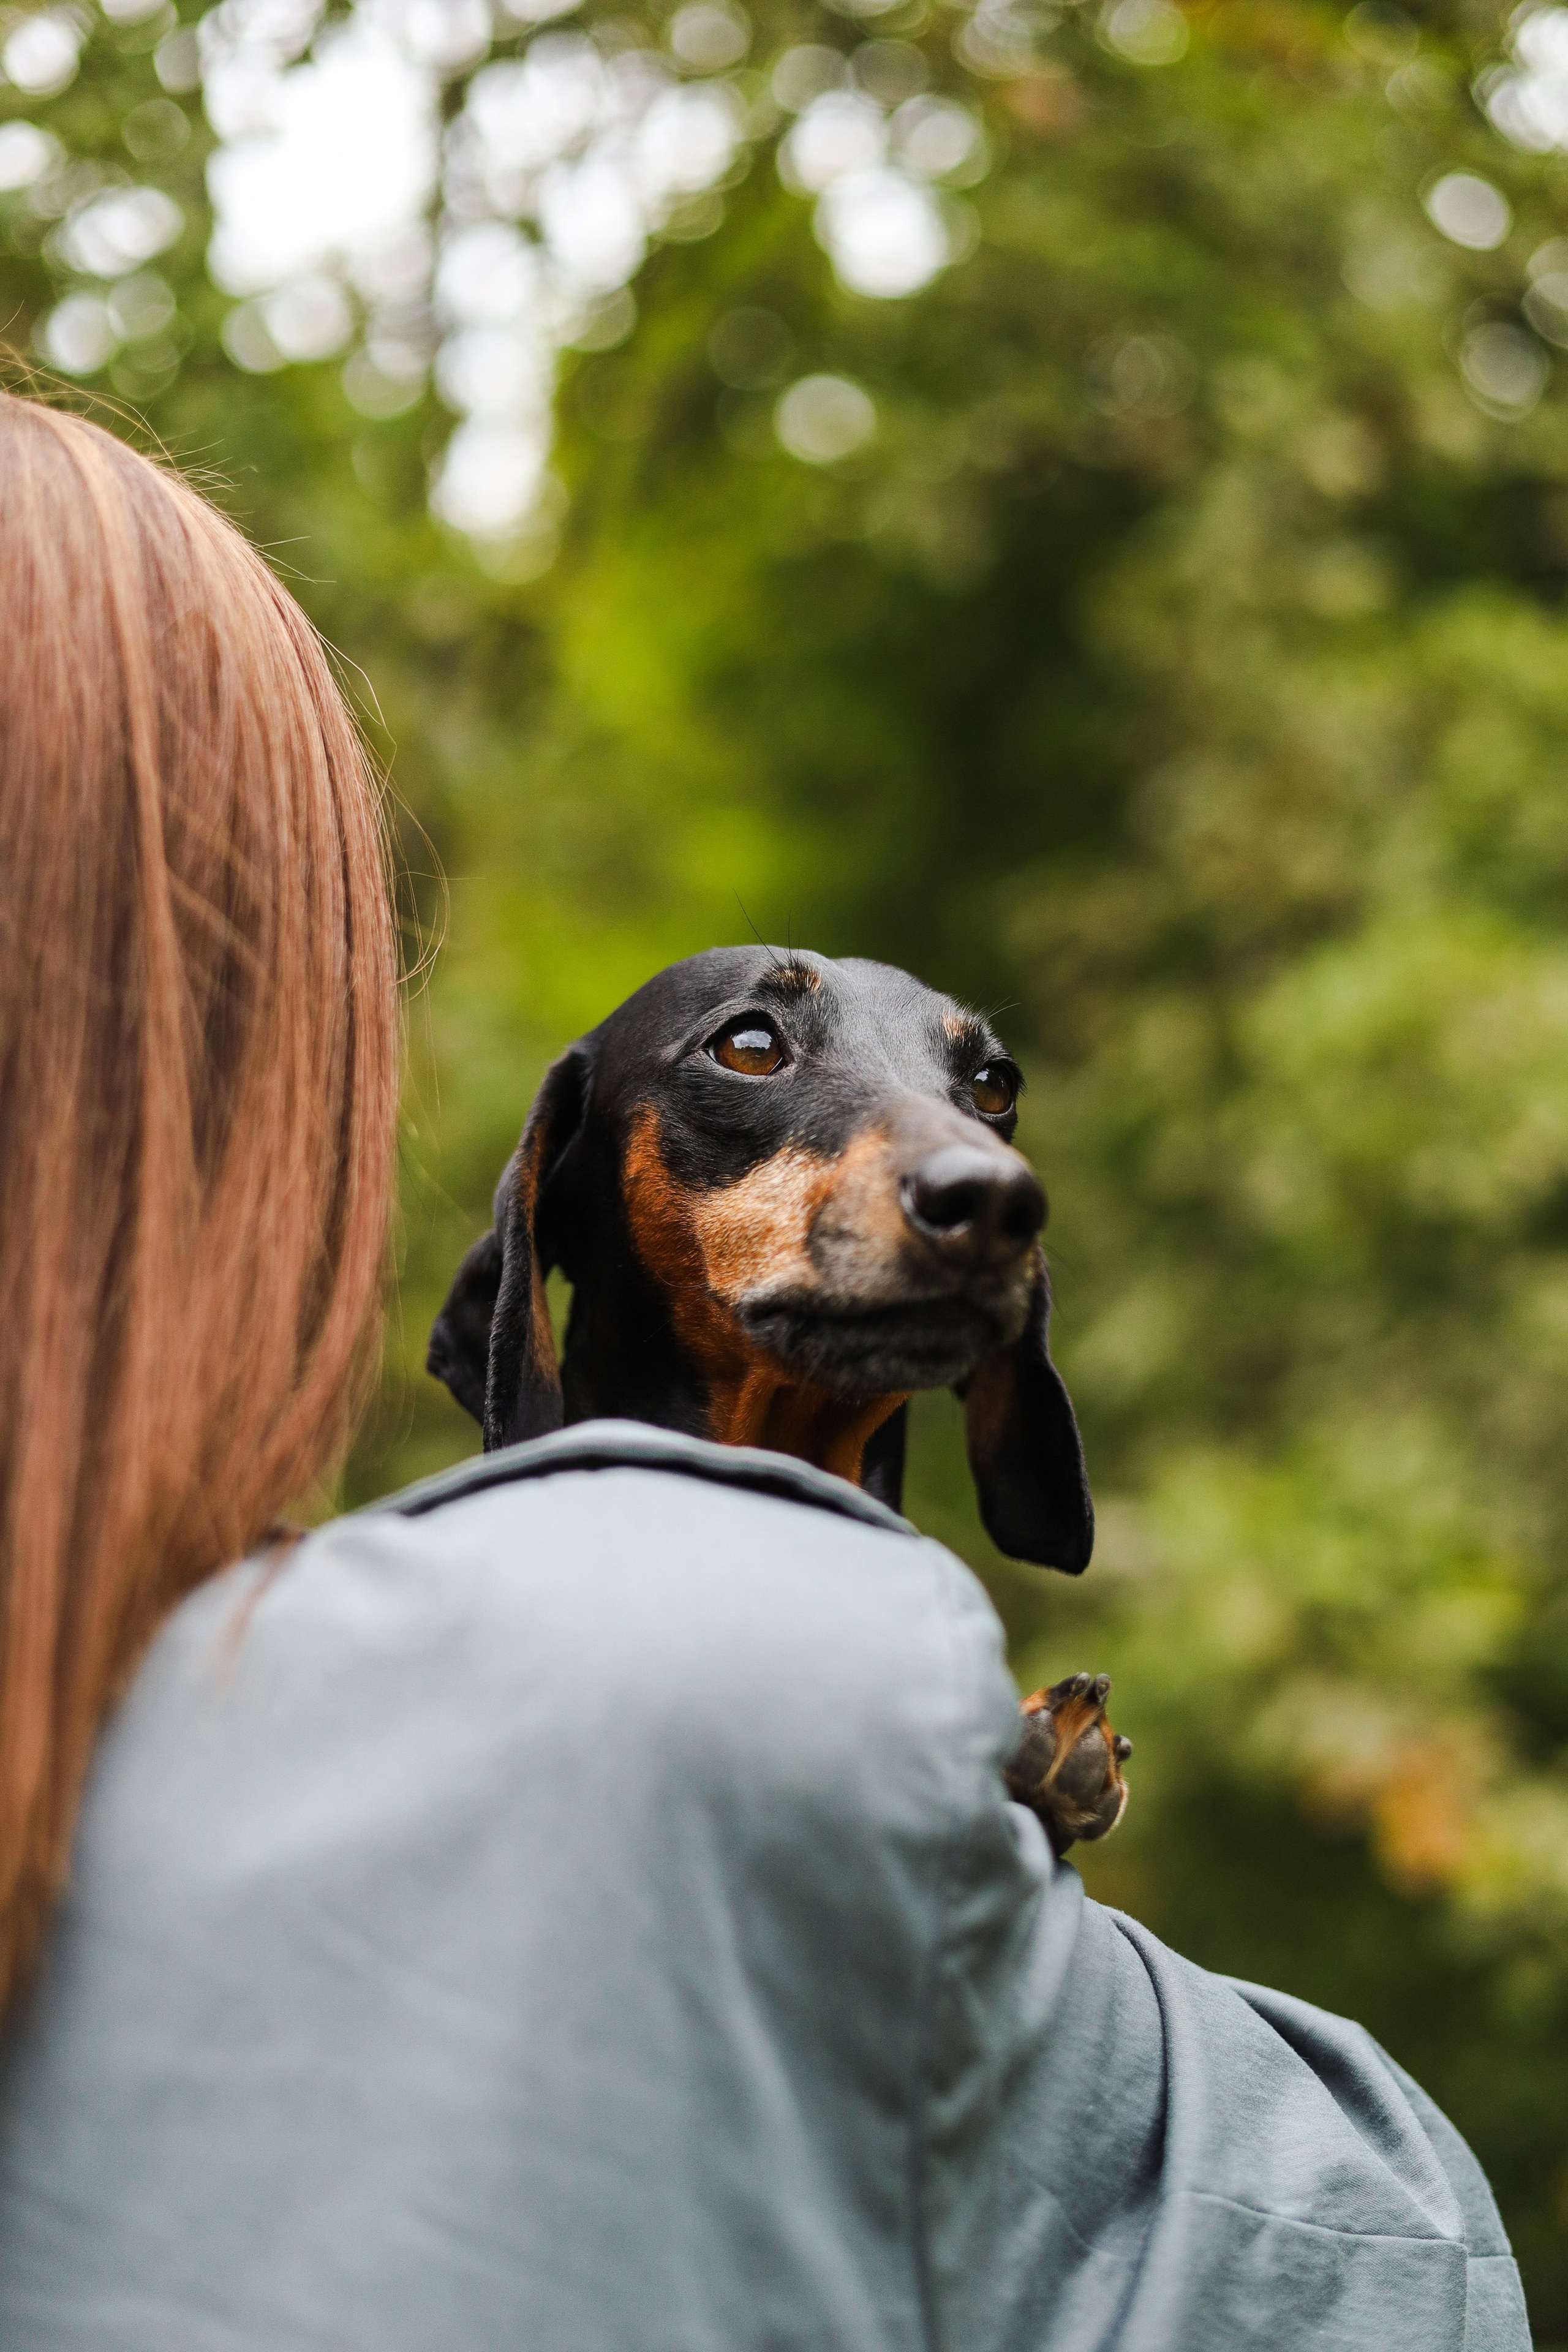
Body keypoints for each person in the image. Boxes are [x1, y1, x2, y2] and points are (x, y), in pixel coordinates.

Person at [0, 389, 1530, 2352]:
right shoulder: (724, 1693)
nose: (965, 1165)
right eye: (752, 1055)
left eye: (979, 1096)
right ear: (555, 1205)